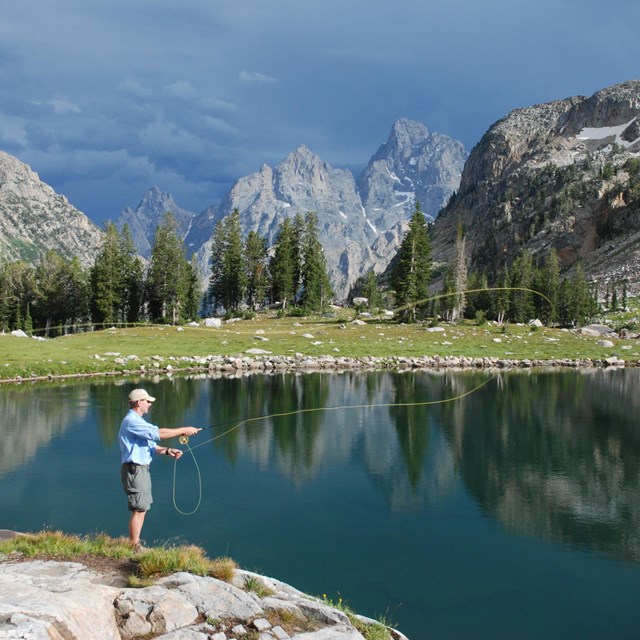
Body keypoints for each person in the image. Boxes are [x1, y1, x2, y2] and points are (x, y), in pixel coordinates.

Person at [118, 388, 201, 552]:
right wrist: (183, 430)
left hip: (140, 470)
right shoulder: (131, 422)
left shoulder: (139, 422)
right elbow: (158, 433)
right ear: (138, 402)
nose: (149, 404)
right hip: (135, 470)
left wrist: (168, 451)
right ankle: (133, 546)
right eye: (147, 401)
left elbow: (151, 445)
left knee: (142, 508)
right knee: (139, 509)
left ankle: (135, 544)